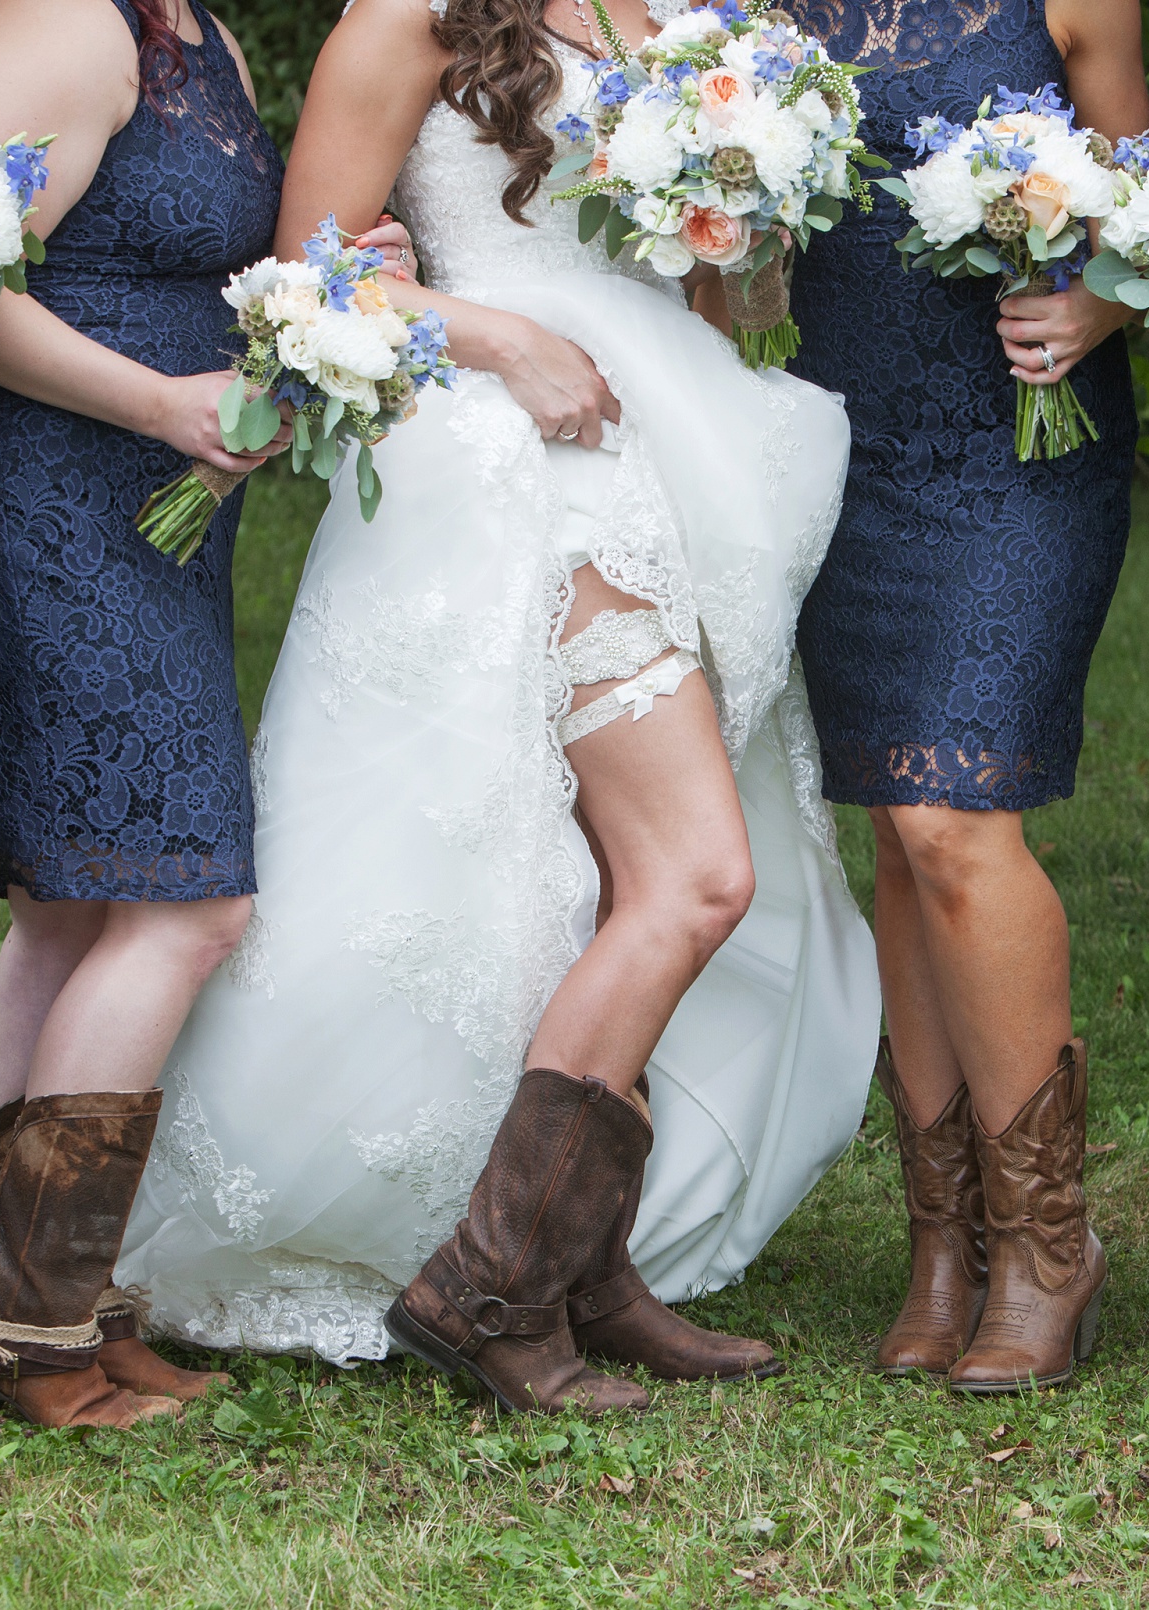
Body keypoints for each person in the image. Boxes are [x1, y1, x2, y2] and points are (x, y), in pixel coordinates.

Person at [111, 0, 879, 1411]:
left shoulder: (693, 25)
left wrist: (749, 241)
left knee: (587, 880)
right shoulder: (412, 16)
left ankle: (582, 1263)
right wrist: (495, 338)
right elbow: (307, 271)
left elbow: (728, 307)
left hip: (669, 448)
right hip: (521, 471)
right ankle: (492, 1282)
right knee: (696, 878)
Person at [0, 0, 290, 1429]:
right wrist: (163, 407)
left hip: (146, 502)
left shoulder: (201, 33)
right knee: (187, 905)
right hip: (42, 491)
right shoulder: (66, 27)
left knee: (73, 903)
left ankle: (55, 1306)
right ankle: (30, 1326)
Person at [782, 0, 1144, 1393]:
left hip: (1014, 452)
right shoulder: (767, 18)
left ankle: (1050, 1244)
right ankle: (944, 1237)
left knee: (953, 820)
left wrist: (1101, 300)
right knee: (896, 822)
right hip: (844, 440)